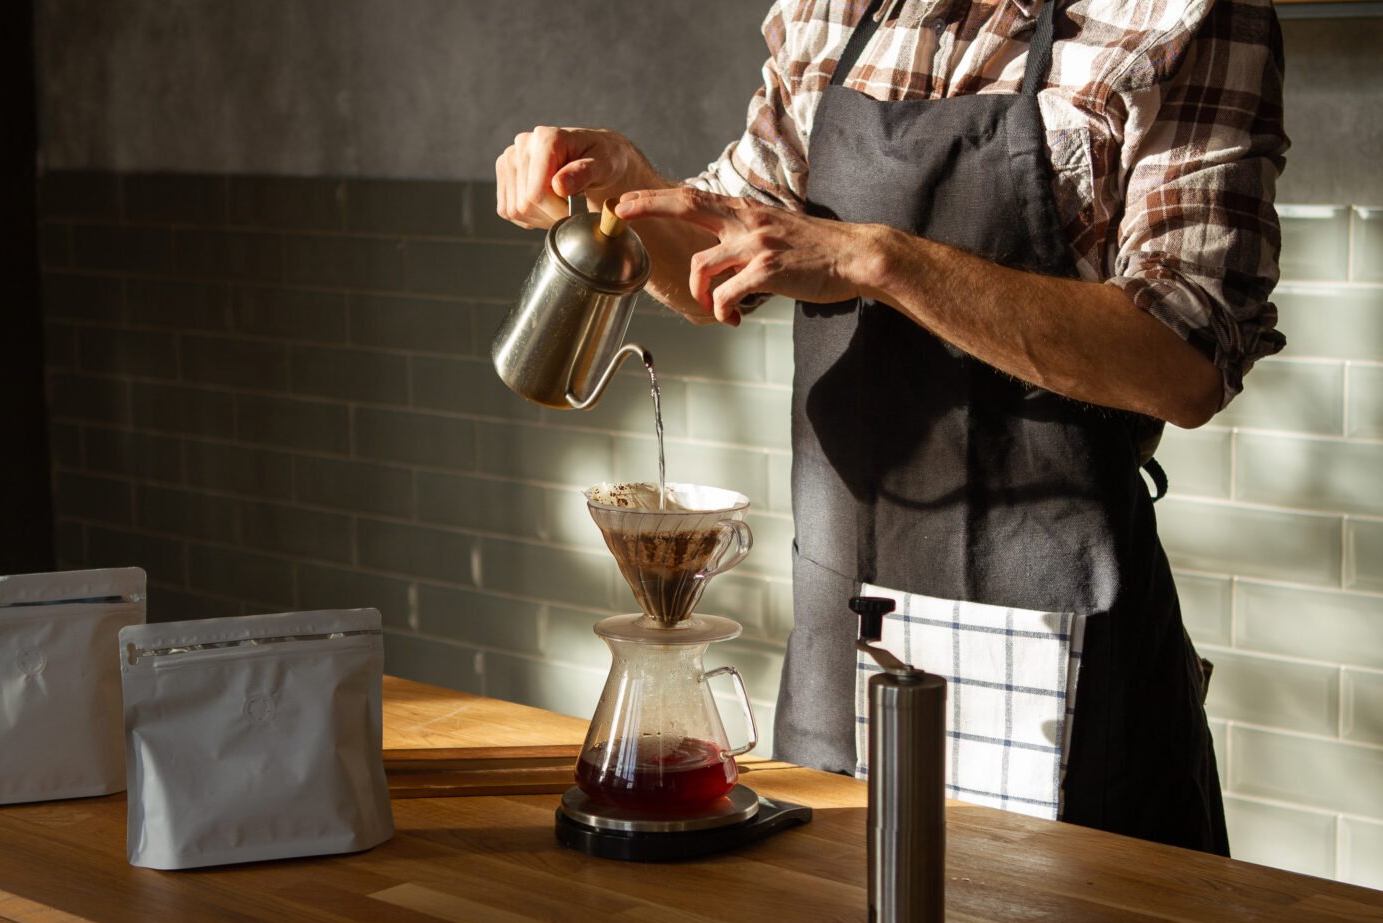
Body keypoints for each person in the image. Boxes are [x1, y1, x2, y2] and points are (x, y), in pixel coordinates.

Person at [495, 0, 1286, 855]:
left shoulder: (1188, 16)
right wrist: (626, 193)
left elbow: (1186, 360)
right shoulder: (833, 8)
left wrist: (878, 261)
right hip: (846, 619)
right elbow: (719, 269)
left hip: (1059, 634)